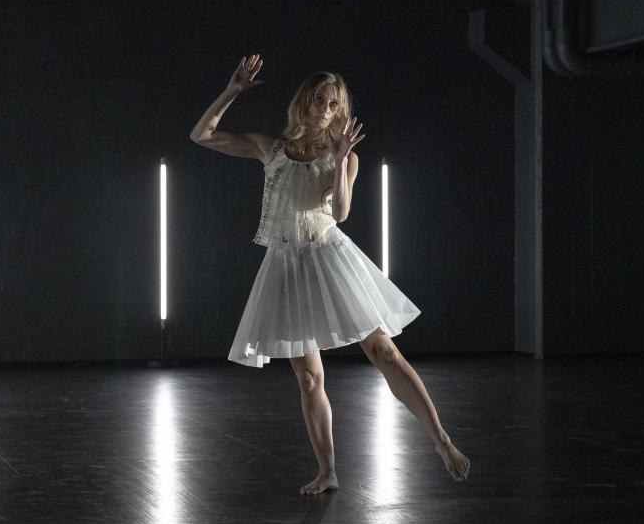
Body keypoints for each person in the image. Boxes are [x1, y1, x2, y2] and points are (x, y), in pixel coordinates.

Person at [190, 54, 471, 494]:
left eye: (332, 104)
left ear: (340, 112)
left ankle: (442, 440)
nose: (324, 109)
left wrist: (340, 161)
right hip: (286, 265)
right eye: (319, 100)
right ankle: (328, 471)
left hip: (330, 258)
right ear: (304, 102)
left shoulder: (345, 157)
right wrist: (232, 91)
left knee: (385, 352)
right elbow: (201, 135)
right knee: (308, 378)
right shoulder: (272, 148)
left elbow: (339, 212)